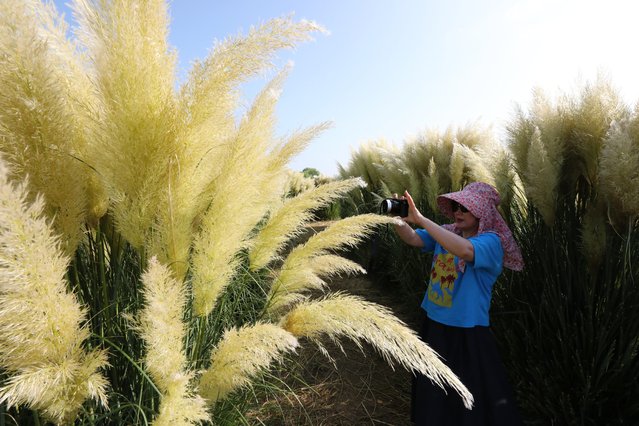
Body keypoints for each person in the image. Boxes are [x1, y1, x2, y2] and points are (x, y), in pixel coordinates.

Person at [392, 182, 524, 426]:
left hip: (468, 331)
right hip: (435, 323)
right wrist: (397, 218)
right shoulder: (447, 232)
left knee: (468, 392)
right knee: (434, 388)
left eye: (465, 207)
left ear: (482, 212)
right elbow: (412, 238)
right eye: (455, 206)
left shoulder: (492, 242)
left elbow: (465, 251)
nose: (458, 211)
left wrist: (421, 219)